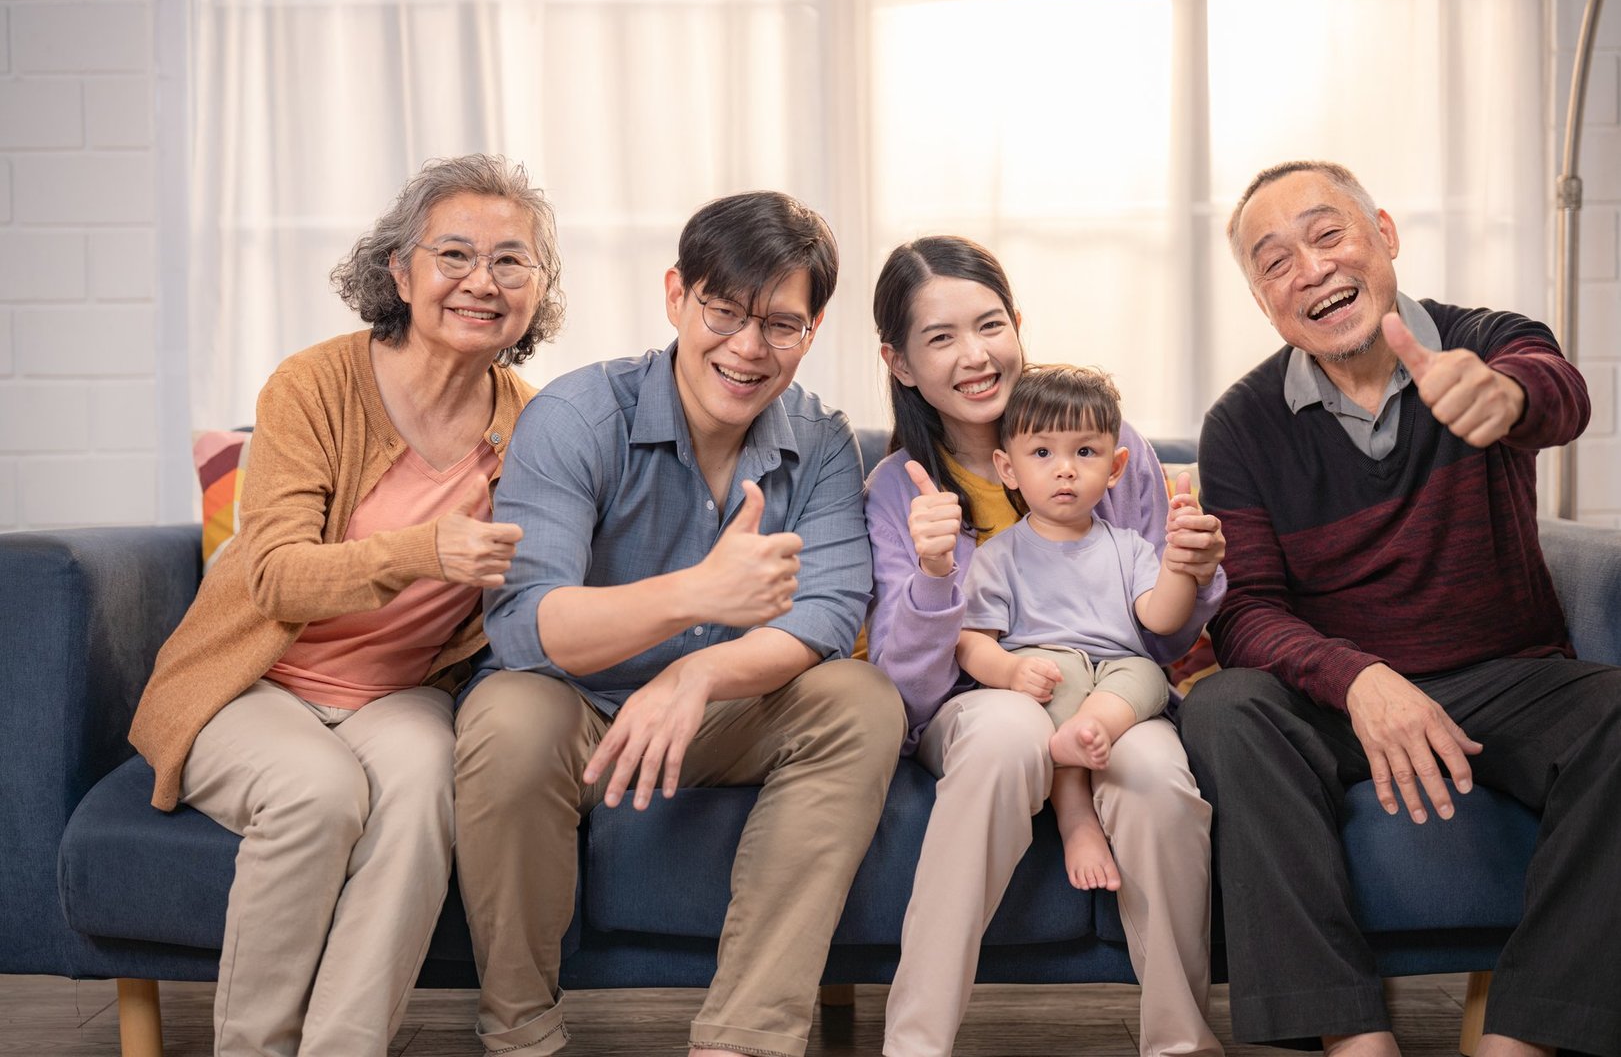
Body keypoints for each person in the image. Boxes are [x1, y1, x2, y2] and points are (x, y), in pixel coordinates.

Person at [1181, 159, 1621, 1057]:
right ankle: (1351, 1037)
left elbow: (1555, 392)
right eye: (1274, 262)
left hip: (1504, 677)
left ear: (1381, 234)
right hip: (1340, 703)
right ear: (1262, 301)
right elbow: (1246, 611)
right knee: (1224, 706)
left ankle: (1523, 1039)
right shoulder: (1240, 425)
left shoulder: (1484, 343)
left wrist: (1504, 396)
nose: (1310, 269)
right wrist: (1357, 679)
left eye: (1326, 234)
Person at [128, 153, 562, 1056]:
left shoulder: (536, 425)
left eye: (511, 261)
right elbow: (276, 575)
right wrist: (421, 551)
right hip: (255, 683)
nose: (482, 282)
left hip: (400, 694)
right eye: (453, 254)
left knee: (426, 789)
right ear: (399, 272)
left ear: (538, 289)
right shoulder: (314, 385)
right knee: (316, 791)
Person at [454, 190, 906, 1057]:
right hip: (576, 704)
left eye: (780, 324)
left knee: (859, 698)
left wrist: (695, 673)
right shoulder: (578, 415)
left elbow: (826, 614)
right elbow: (526, 624)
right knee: (506, 716)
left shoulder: (820, 441)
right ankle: (521, 1032)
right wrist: (698, 593)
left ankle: (740, 1038)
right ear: (676, 295)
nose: (747, 347)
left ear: (811, 330)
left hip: (724, 712)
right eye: (723, 311)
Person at [864, 236, 1227, 1057]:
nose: (975, 355)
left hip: (1113, 694)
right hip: (979, 701)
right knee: (1006, 736)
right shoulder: (897, 488)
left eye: (989, 325)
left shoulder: (1106, 443)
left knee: (1157, 781)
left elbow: (1159, 634)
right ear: (900, 363)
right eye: (940, 337)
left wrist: (1195, 570)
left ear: (1017, 324)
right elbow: (907, 690)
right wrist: (932, 574)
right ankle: (915, 1044)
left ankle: (1181, 1041)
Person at [956, 364, 1207, 892]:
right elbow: (971, 641)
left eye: (1085, 452)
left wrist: (1179, 562)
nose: (1065, 470)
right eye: (1042, 453)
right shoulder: (999, 555)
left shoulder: (1129, 547)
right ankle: (1076, 816)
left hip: (1117, 674)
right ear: (1007, 468)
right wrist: (1010, 672)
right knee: (1063, 674)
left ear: (1116, 468)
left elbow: (1160, 618)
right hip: (1048, 673)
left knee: (1148, 673)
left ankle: (1088, 731)